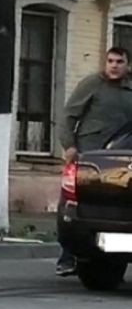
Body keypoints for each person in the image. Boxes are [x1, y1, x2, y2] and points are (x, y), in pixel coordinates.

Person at [56, 46, 132, 275]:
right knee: (76, 207)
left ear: (128, 65)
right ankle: (68, 257)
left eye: (119, 61)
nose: (114, 65)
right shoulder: (93, 84)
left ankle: (110, 256)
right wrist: (69, 146)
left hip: (122, 160)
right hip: (89, 159)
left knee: (116, 210)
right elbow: (68, 115)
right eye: (110, 61)